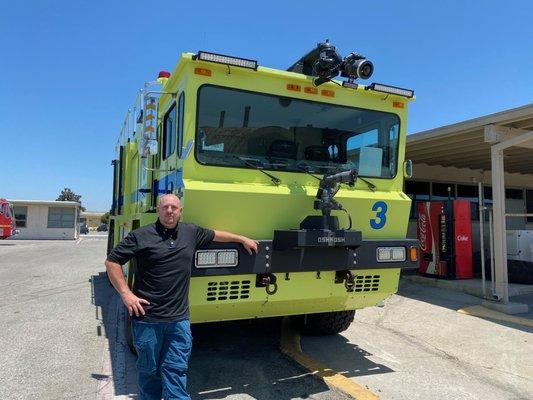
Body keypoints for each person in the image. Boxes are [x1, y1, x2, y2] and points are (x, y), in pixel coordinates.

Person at [105, 194, 258, 400]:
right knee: (149, 373)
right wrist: (126, 294)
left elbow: (216, 235)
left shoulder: (190, 232)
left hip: (179, 321)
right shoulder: (141, 236)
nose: (169, 211)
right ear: (158, 210)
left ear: (180, 211)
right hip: (147, 320)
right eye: (165, 207)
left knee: (175, 371)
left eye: (174, 208)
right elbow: (112, 262)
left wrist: (241, 238)